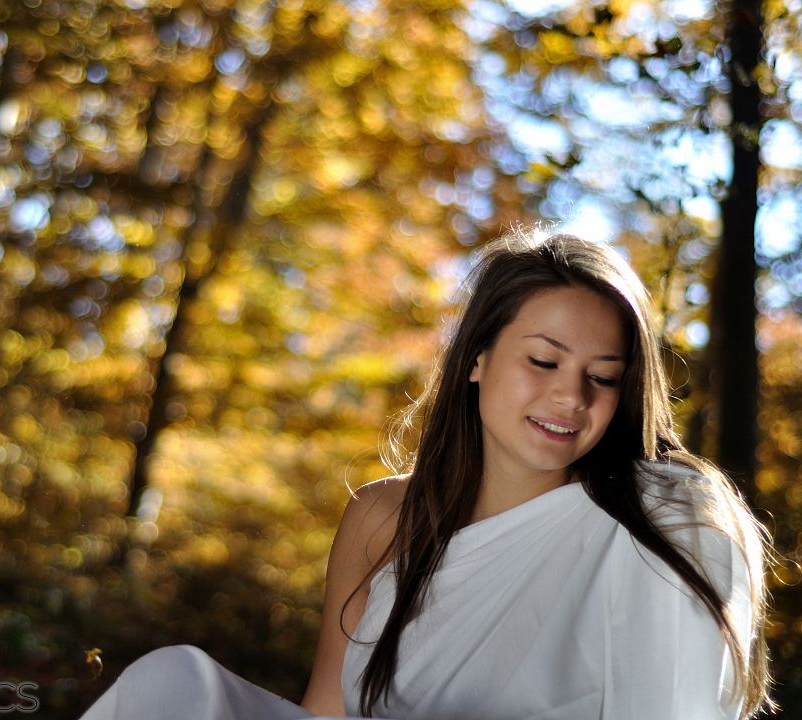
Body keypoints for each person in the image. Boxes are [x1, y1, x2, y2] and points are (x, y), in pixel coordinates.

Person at [79, 230, 774, 720]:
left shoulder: (668, 520)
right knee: (174, 687)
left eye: (602, 377)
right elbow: (327, 710)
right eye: (543, 361)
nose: (572, 396)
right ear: (477, 358)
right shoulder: (381, 519)